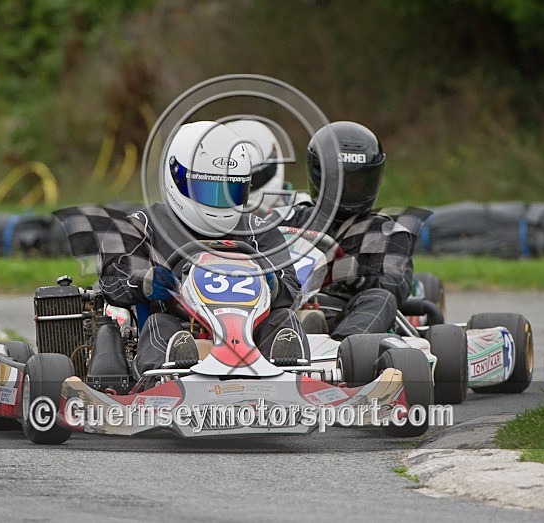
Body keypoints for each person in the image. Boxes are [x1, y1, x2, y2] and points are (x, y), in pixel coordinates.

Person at [98, 121, 309, 373]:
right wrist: (145, 282)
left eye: (230, 190)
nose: (219, 201)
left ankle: (295, 380)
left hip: (250, 337)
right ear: (177, 177)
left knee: (284, 321)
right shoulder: (140, 227)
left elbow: (292, 289)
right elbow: (111, 279)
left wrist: (275, 287)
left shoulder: (258, 230)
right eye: (208, 189)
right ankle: (163, 383)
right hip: (179, 333)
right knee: (160, 324)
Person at [268, 121, 429, 340]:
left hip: (343, 317)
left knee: (381, 298)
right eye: (337, 181)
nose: (347, 190)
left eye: (357, 182)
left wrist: (355, 276)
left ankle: (343, 349)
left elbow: (394, 286)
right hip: (278, 309)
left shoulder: (388, 233)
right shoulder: (287, 219)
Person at [225, 119, 309, 216]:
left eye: (254, 180)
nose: (247, 186)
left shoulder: (302, 207)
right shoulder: (215, 214)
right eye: (235, 181)